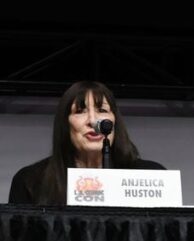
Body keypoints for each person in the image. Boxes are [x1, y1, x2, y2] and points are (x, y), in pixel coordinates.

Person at [7, 81, 165, 205]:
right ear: (65, 124)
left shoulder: (152, 176)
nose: (93, 121)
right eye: (80, 111)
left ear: (114, 121)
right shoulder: (31, 181)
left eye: (102, 110)